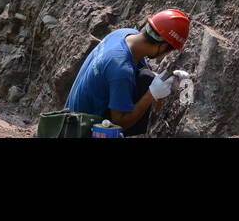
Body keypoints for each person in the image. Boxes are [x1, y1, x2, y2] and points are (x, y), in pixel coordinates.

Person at [64, 9, 192, 135]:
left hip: (69, 117)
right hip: (80, 130)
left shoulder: (125, 34)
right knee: (146, 82)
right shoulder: (121, 69)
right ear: (163, 46)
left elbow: (141, 73)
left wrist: (167, 80)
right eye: (170, 50)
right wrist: (150, 95)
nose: (167, 54)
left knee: (146, 77)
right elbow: (119, 124)